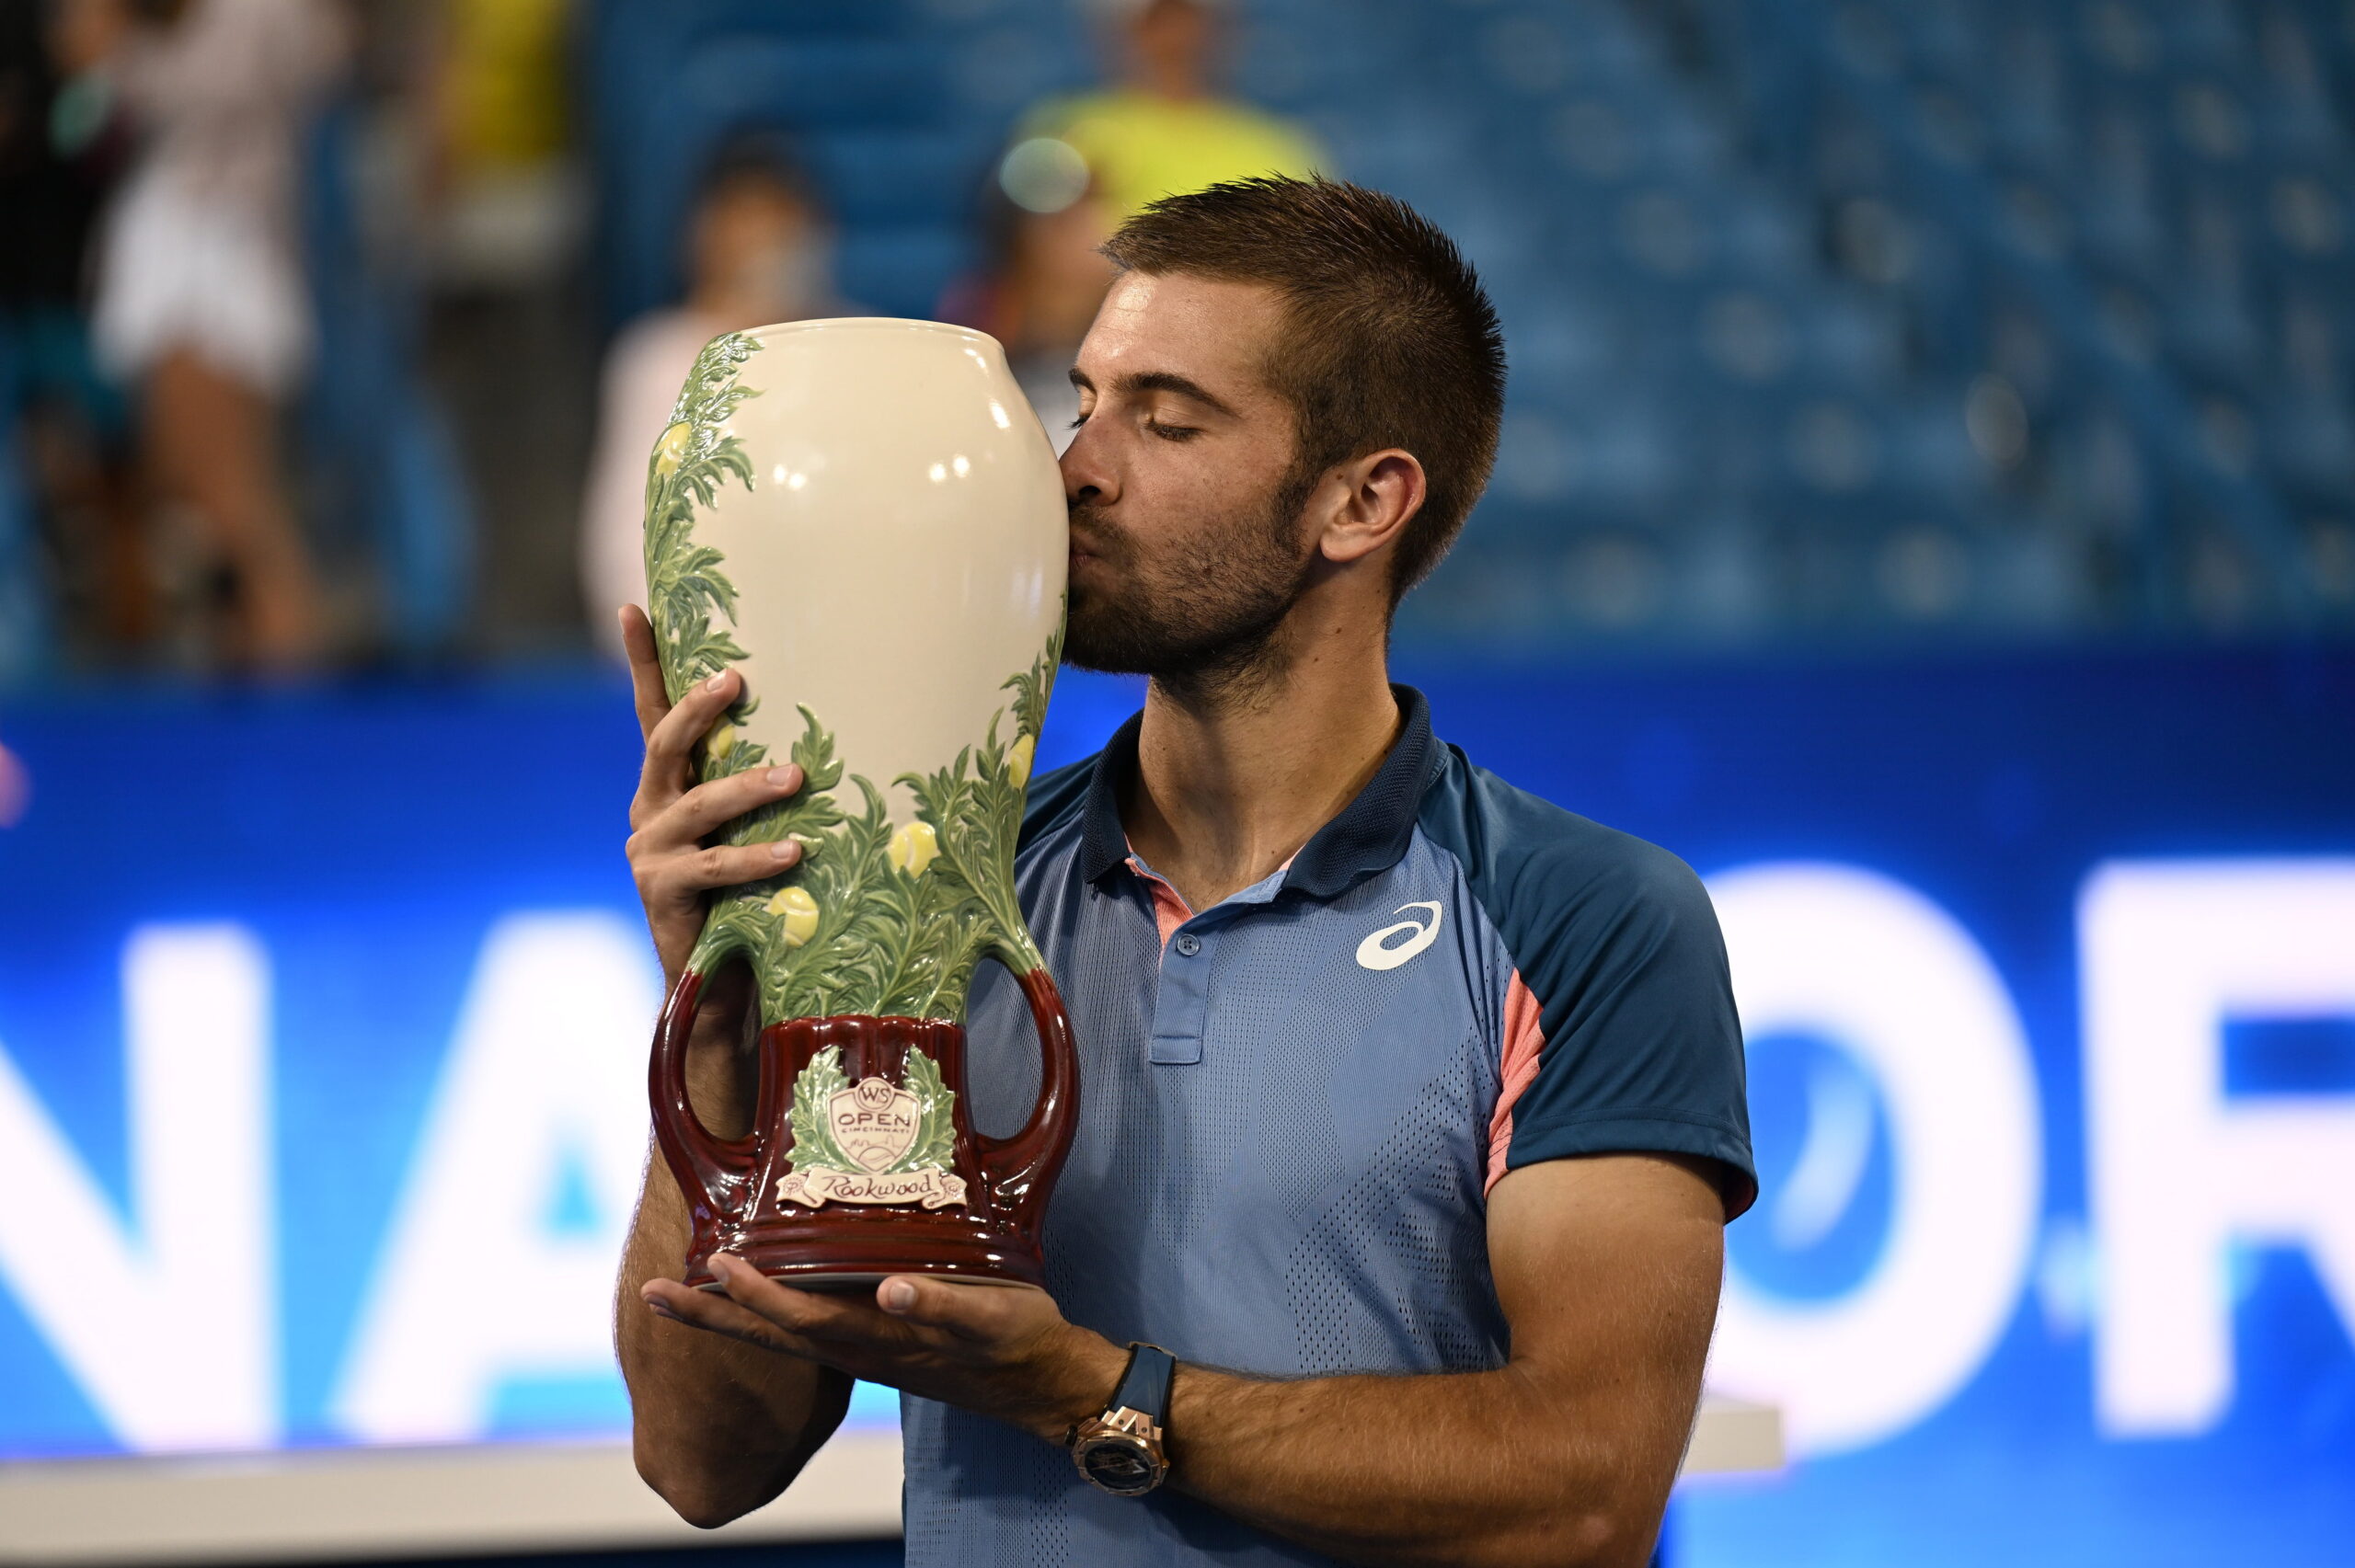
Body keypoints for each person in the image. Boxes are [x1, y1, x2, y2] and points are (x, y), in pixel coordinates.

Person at [615, 177, 1753, 1566]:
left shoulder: (1584, 920)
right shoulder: (930, 877)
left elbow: (1584, 1494)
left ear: (1361, 501)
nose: (1076, 467)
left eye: (1166, 420)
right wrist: (726, 1007)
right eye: (1083, 401)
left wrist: (1086, 1390)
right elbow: (699, 1460)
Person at [74, 0, 346, 670]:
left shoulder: (254, 19)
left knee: (232, 502)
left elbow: (306, 61)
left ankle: (296, 694)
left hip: (213, 261)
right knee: (196, 510)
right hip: (187, 252)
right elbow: (85, 126)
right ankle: (259, 672)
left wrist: (113, 55)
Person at [578, 132, 845, 653]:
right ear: (704, 238)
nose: (765, 244)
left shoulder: (861, 340)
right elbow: (624, 539)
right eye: (745, 224)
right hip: (702, 653)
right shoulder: (658, 358)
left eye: (781, 225)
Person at [1017, 0, 1321, 223]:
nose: (1175, 37)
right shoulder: (1065, 129)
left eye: (1187, 18)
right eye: (1156, 22)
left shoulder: (1277, 144)